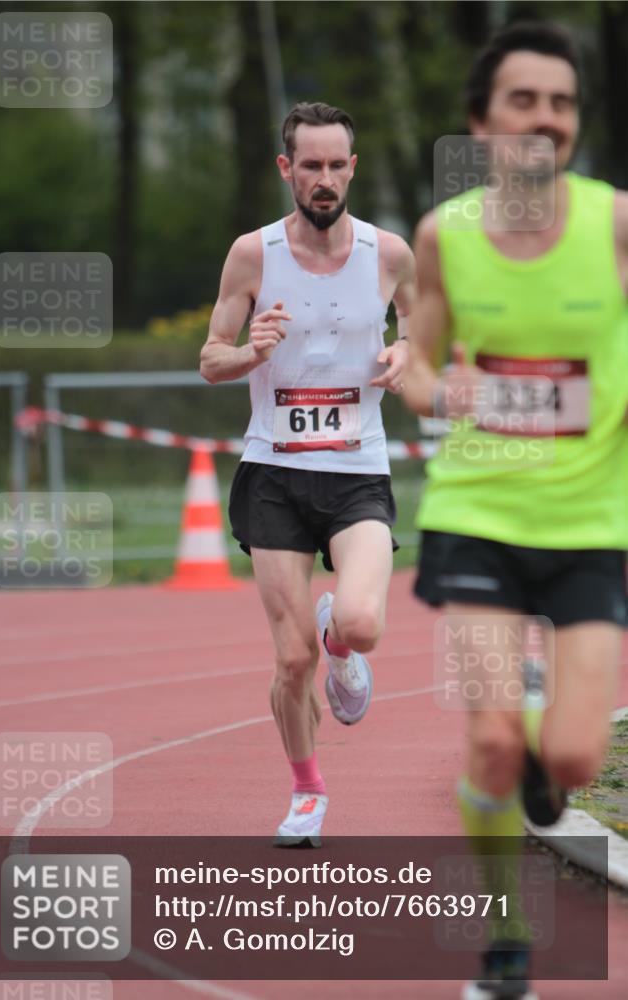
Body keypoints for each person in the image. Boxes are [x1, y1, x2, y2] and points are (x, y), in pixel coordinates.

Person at [402, 21, 627, 1000]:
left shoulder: (614, 223)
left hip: (590, 521)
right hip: (480, 507)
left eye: (562, 103)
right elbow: (412, 358)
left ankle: (543, 747)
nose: (545, 120)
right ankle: (503, 942)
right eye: (524, 102)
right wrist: (431, 389)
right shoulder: (442, 235)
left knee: (570, 753)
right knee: (492, 741)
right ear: (482, 123)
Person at [200, 102, 415, 847]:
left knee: (360, 623)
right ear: (286, 170)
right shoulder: (252, 255)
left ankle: (341, 644)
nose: (324, 180)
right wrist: (251, 354)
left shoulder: (388, 254)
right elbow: (209, 360)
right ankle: (306, 792)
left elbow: (422, 329)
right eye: (310, 166)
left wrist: (407, 353)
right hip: (273, 474)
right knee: (287, 659)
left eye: (336, 165)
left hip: (357, 471)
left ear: (351, 168)